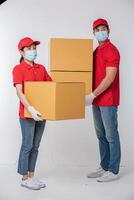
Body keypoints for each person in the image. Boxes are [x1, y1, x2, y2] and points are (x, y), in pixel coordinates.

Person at [12, 37, 52, 190]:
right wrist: (30, 108)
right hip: (27, 114)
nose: (33, 51)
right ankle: (24, 178)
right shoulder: (18, 69)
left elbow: (51, 87)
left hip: (42, 114)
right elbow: (19, 92)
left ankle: (31, 176)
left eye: (34, 48)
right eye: (29, 48)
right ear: (21, 52)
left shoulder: (41, 68)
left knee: (36, 146)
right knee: (27, 145)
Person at [86, 18, 121, 182]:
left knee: (111, 135)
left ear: (108, 31)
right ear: (93, 33)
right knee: (101, 135)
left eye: (103, 29)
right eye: (97, 29)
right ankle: (104, 165)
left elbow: (109, 78)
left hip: (108, 99)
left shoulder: (112, 50)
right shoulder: (95, 52)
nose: (100, 32)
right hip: (96, 101)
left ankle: (113, 170)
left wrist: (92, 94)